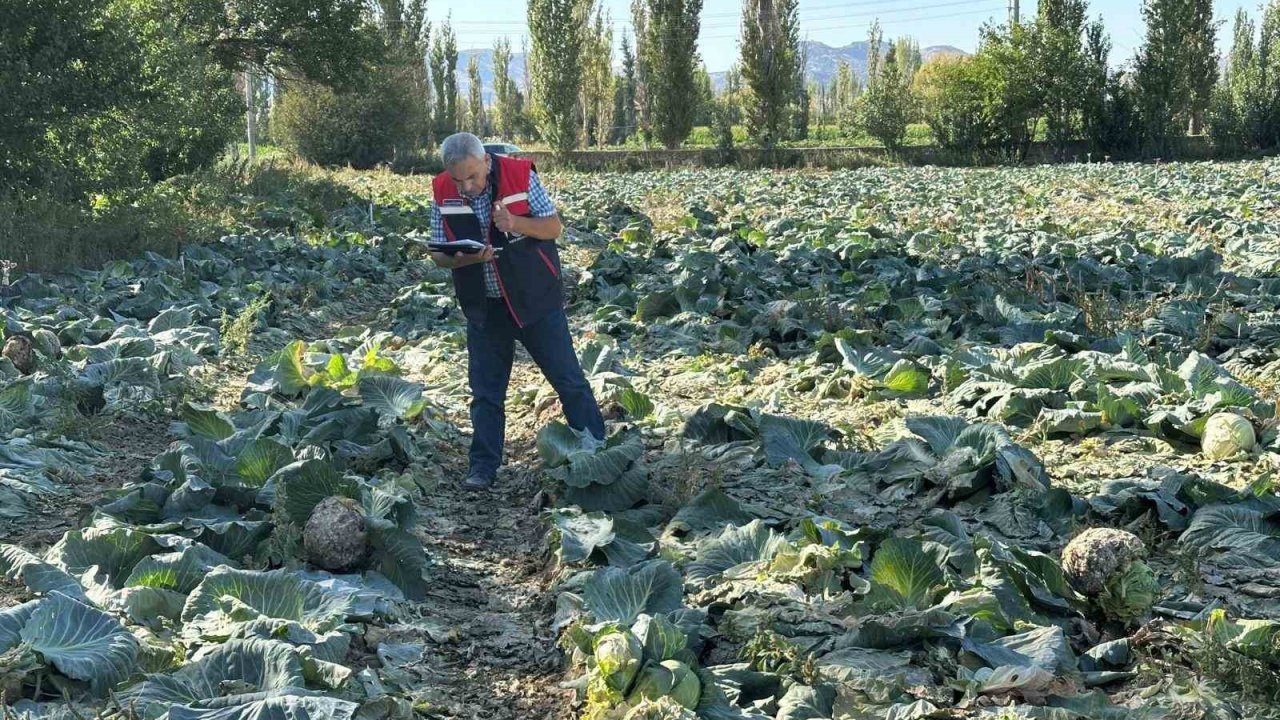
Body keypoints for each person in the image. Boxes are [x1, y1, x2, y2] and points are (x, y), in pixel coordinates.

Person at [428, 132, 606, 491]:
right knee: (485, 392)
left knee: (569, 380)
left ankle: (597, 451)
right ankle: (483, 467)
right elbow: (437, 256)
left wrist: (515, 224)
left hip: (534, 299)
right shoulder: (442, 189)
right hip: (484, 305)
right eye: (458, 179)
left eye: (473, 177)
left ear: (487, 163)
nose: (467, 186)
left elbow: (553, 226)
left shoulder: (521, 175)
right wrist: (462, 258)